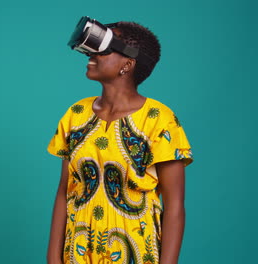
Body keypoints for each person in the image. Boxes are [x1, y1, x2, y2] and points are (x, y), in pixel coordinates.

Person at [46, 20, 193, 264]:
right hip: (78, 252)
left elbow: (175, 206)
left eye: (102, 50)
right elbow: (64, 191)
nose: (91, 56)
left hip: (136, 252)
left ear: (127, 64)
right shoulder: (76, 114)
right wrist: (53, 258)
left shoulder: (159, 120)